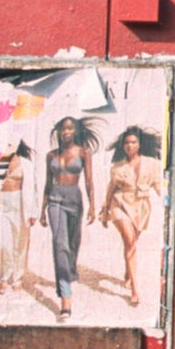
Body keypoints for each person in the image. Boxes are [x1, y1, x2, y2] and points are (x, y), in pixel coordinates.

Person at [38, 116, 101, 321]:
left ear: (75, 132)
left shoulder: (83, 153)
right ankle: (65, 297)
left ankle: (70, 270)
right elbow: (48, 183)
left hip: (75, 198)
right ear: (58, 131)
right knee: (60, 244)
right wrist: (42, 209)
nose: (66, 132)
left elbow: (89, 181)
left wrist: (93, 206)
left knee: (73, 244)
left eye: (70, 129)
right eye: (63, 129)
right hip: (55, 199)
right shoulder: (51, 156)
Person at [100, 126, 163, 307]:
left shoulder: (152, 164)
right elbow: (111, 189)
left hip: (141, 207)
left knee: (132, 243)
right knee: (130, 241)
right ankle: (135, 289)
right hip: (120, 204)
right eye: (127, 143)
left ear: (140, 144)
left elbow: (159, 186)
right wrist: (105, 211)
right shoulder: (117, 167)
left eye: (133, 142)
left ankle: (129, 272)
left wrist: (166, 202)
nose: (129, 146)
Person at [0, 140, 35, 293]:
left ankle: (17, 277)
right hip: (1, 202)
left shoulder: (25, 163)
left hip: (20, 203)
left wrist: (33, 212)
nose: (9, 146)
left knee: (20, 242)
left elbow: (32, 188)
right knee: (2, 241)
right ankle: (4, 276)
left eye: (11, 143)